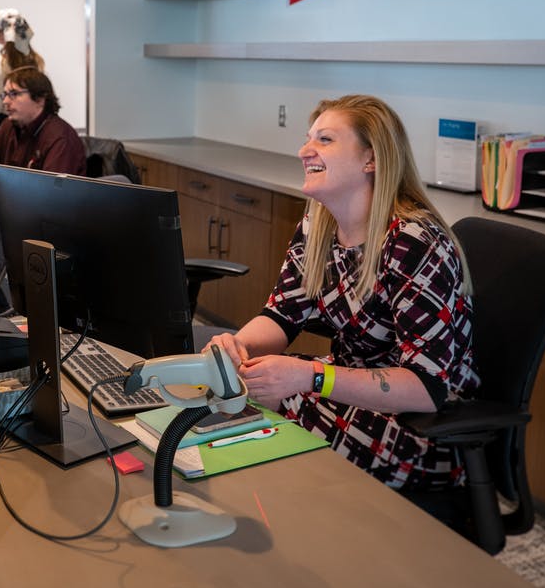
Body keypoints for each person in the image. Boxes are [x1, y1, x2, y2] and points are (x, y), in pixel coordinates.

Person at [205, 94, 479, 492]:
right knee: (238, 390)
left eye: (325, 140)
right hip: (347, 393)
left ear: (371, 159)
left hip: (420, 429)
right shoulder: (319, 225)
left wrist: (311, 376)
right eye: (307, 139)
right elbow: (282, 315)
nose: (304, 150)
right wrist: (236, 349)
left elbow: (426, 387)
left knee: (253, 412)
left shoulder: (414, 242)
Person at [0, 67, 86, 176]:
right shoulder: (7, 126)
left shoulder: (60, 138)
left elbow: (50, 191)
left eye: (14, 94)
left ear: (40, 99)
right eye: (5, 95)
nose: (5, 101)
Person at [0, 8, 44, 139]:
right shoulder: (36, 61)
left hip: (4, 129)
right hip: (32, 127)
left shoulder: (0, 64)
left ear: (0, 34)